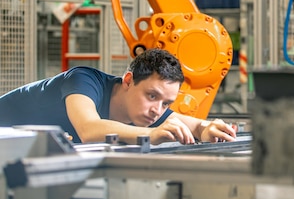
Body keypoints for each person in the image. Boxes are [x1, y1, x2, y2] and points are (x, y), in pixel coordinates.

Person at [0, 48, 237, 145]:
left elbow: (195, 126)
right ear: (128, 81)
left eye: (166, 102)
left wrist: (207, 128)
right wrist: (151, 134)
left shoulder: (144, 109)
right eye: (152, 95)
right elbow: (89, 129)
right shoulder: (83, 80)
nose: (157, 110)